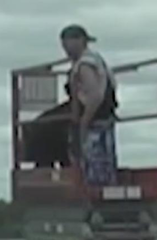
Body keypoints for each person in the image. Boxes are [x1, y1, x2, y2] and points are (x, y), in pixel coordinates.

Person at [60, 24, 119, 185]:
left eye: (68, 42)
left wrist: (84, 120)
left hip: (95, 117)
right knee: (104, 159)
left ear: (80, 42)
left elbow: (95, 95)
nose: (65, 47)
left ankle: (94, 190)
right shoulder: (94, 59)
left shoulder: (85, 64)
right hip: (104, 116)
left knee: (93, 159)